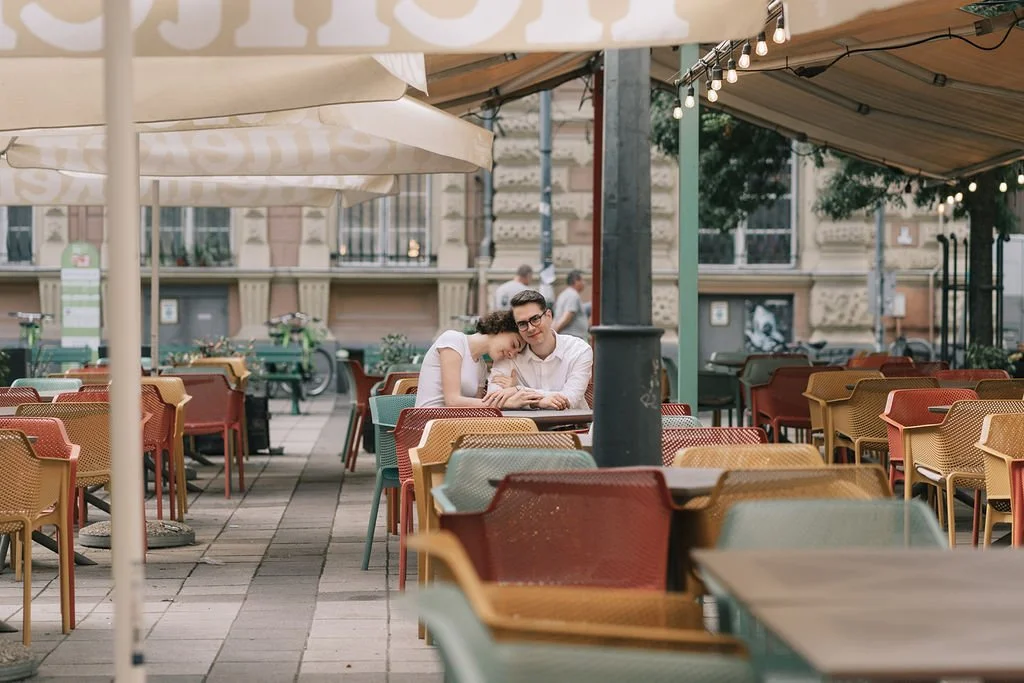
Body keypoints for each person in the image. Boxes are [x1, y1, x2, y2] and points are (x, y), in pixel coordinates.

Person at [487, 289, 593, 410]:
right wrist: (537, 402)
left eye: (535, 319)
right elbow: (493, 398)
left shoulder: (579, 350)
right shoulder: (510, 354)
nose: (531, 328)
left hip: (574, 422)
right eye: (522, 324)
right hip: (522, 423)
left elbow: (569, 400)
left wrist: (518, 389)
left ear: (549, 316)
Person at [415, 309, 543, 409]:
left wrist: (509, 390)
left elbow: (478, 409)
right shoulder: (453, 340)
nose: (511, 355)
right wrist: (506, 403)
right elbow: (452, 401)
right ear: (502, 328)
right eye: (514, 344)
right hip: (426, 425)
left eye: (516, 354)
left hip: (456, 425)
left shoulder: (481, 366)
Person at [553, 270, 589, 341]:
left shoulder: (564, 294)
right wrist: (554, 332)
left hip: (568, 337)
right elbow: (568, 316)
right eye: (582, 280)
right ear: (576, 281)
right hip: (573, 338)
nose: (584, 283)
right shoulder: (573, 295)